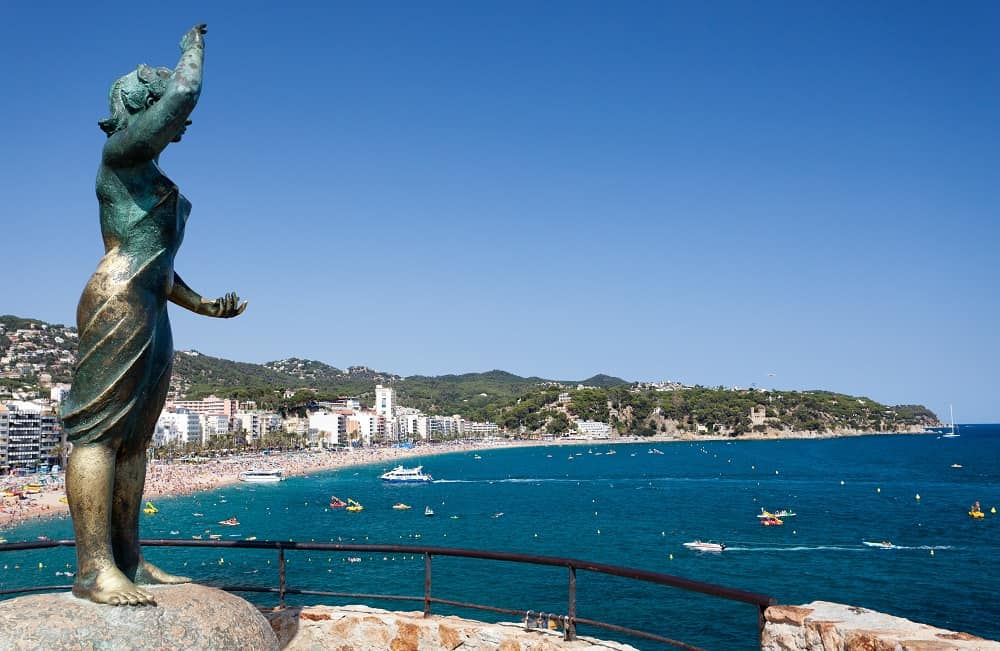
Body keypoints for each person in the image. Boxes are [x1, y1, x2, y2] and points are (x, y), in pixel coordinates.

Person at [61, 24, 246, 606]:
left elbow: (159, 265)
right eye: (161, 101)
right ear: (143, 104)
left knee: (135, 440)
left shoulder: (151, 172)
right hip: (117, 298)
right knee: (99, 433)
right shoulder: (120, 153)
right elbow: (184, 96)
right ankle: (94, 569)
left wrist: (203, 305)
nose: (180, 118)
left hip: (149, 300)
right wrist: (190, 55)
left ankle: (130, 561)